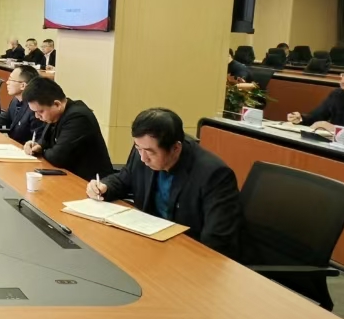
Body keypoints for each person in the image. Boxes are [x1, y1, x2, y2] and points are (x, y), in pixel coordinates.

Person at [87, 109, 247, 260]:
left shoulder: (214, 175)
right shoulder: (143, 150)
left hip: (186, 255)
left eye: (150, 152)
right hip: (150, 246)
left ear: (176, 148)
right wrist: (104, 187)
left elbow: (217, 242)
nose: (143, 158)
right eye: (138, 148)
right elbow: (124, 179)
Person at [22, 77, 111, 178]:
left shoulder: (78, 117)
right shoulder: (56, 115)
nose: (37, 116)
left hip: (90, 181)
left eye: (40, 111)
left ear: (57, 104)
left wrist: (42, 151)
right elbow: (45, 141)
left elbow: (57, 157)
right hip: (68, 175)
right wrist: (37, 146)